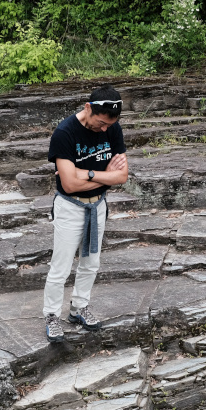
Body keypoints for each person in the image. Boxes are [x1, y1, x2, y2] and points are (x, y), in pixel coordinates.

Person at [42, 86, 129, 342]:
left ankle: (79, 307)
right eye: (100, 123)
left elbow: (122, 175)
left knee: (91, 262)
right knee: (61, 265)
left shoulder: (112, 128)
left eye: (109, 125)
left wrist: (86, 174)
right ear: (88, 108)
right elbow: (68, 185)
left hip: (98, 205)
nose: (104, 130)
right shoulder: (65, 133)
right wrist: (105, 177)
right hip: (70, 206)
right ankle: (51, 316)